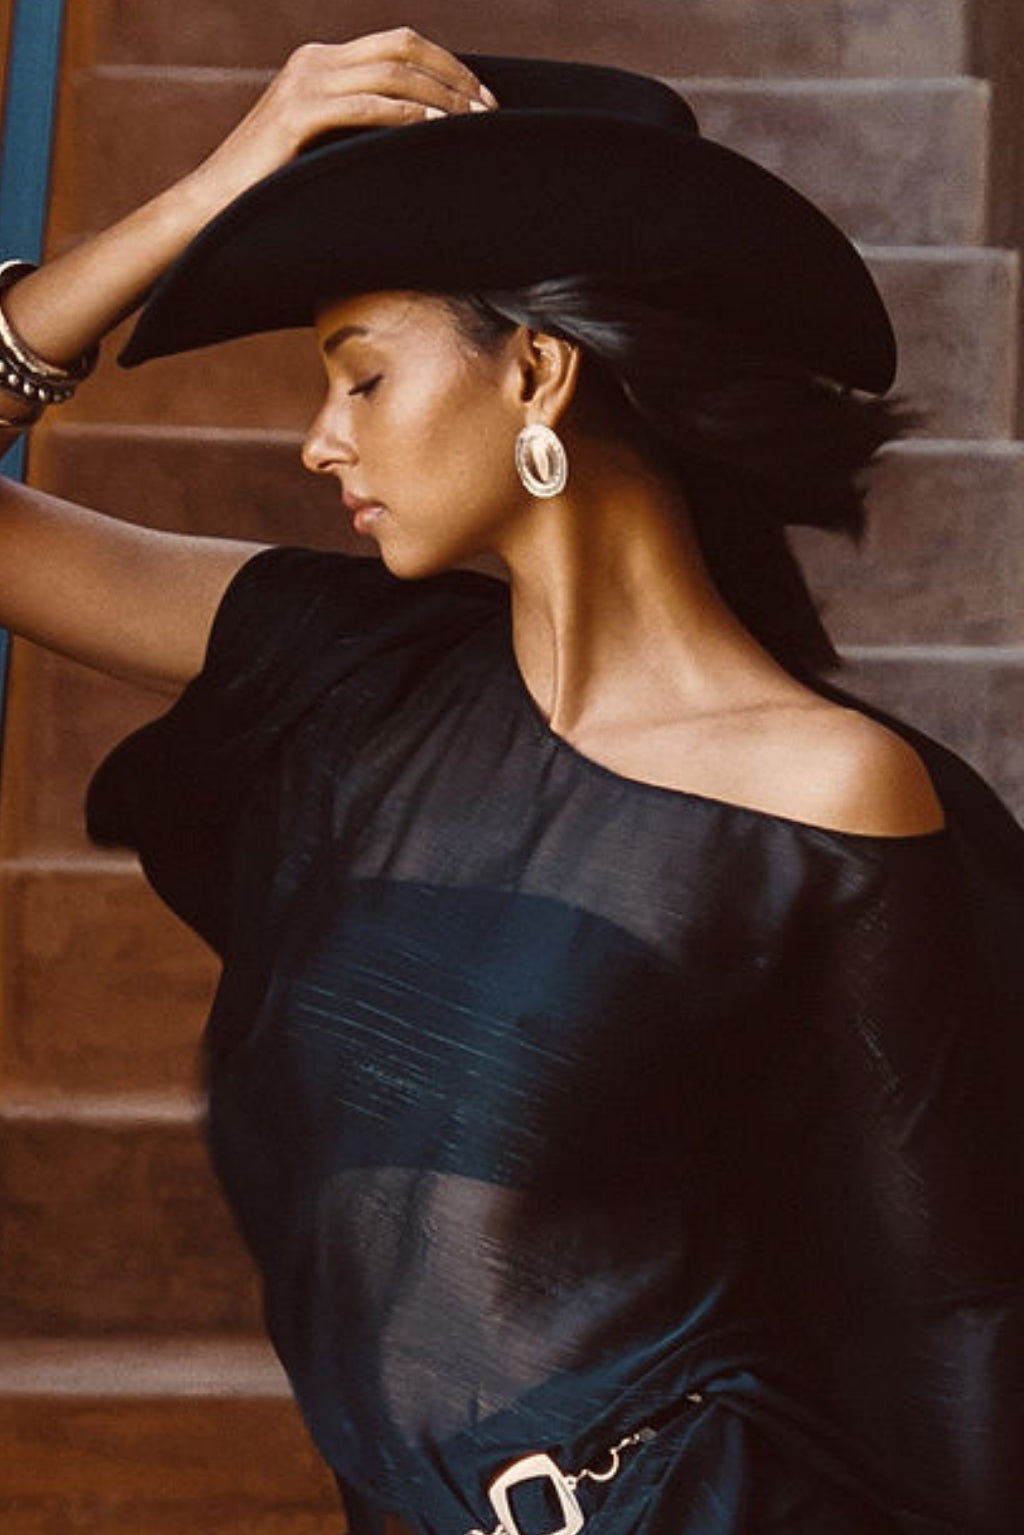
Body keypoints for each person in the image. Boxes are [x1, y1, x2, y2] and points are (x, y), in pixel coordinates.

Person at [1, 27, 1021, 1535]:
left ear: (537, 372)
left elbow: (960, 1330)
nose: (316, 441)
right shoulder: (347, 678)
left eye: (360, 378)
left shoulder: (832, 803)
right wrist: (205, 198)